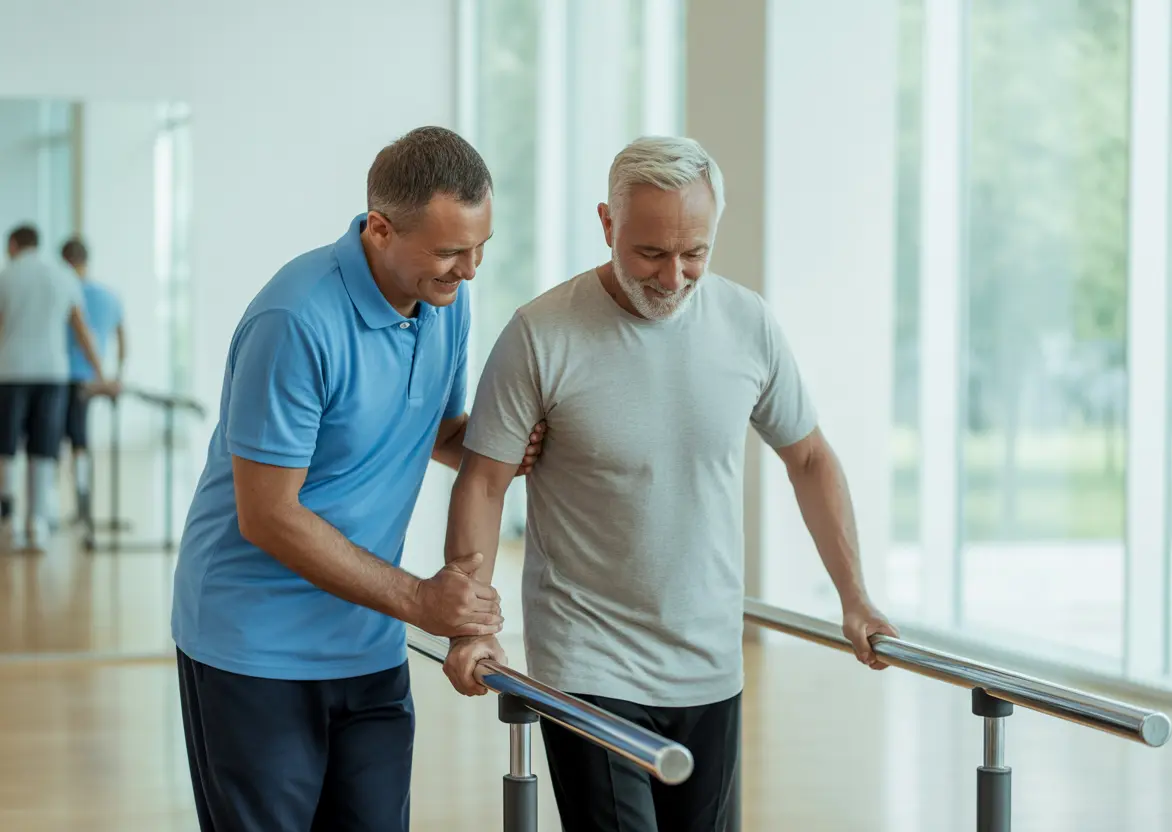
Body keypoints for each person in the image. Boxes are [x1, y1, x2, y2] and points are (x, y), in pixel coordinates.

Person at [440, 136, 898, 832]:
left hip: (711, 663)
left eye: (695, 254)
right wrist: (469, 629)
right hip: (588, 663)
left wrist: (855, 597)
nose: (674, 277)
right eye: (650, 253)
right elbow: (482, 483)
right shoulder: (541, 335)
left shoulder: (748, 325)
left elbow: (809, 459)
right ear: (606, 224)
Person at [170, 126, 545, 832]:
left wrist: (509, 449)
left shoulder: (445, 302)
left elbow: (433, 430)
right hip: (256, 648)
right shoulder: (296, 318)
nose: (469, 271)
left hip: (368, 646)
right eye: (449, 251)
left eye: (480, 248)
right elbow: (269, 514)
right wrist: (421, 601)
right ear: (379, 228)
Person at [0, 224, 107, 551]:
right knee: (43, 447)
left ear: (15, 245)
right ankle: (38, 523)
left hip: (11, 372)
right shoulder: (63, 277)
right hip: (52, 373)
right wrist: (101, 372)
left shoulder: (7, 276)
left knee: (7, 448)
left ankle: (8, 521)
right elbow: (81, 329)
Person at [60, 237, 125, 527]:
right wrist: (113, 377)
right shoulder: (110, 296)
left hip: (66, 377)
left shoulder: (66, 292)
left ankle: (74, 504)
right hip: (96, 380)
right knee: (81, 441)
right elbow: (124, 342)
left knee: (57, 442)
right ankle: (83, 502)